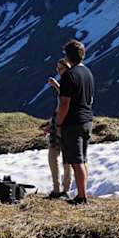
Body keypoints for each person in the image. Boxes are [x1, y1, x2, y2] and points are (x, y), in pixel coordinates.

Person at [55, 39, 94, 205]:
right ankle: (82, 194)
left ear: (68, 56)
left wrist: (58, 123)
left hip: (73, 122)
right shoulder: (88, 73)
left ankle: (81, 197)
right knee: (82, 159)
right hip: (87, 120)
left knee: (76, 161)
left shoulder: (68, 76)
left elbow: (64, 104)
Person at [43, 58, 72, 198]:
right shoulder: (68, 82)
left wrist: (56, 85)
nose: (58, 71)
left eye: (60, 68)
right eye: (57, 69)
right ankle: (57, 188)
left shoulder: (71, 82)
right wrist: (51, 124)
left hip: (66, 125)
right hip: (58, 123)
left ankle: (64, 189)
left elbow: (67, 100)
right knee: (53, 157)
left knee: (66, 159)